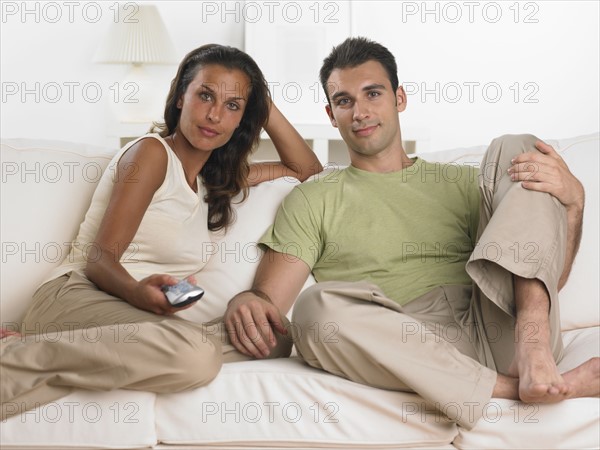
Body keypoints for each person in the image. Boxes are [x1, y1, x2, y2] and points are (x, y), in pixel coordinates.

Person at [223, 37, 599, 429]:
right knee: (313, 309)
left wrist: (574, 203)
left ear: (399, 98)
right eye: (345, 101)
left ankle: (535, 352)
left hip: (498, 328)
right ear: (331, 115)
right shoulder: (314, 197)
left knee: (516, 147)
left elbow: (540, 275)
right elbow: (270, 301)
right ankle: (512, 388)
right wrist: (248, 300)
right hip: (404, 342)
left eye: (373, 94)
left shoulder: (462, 182)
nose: (360, 112)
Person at [0, 43, 322, 420]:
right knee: (195, 355)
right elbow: (99, 261)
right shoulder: (152, 155)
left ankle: (58, 352)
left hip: (139, 324)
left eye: (232, 106)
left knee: (273, 339)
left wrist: (261, 103)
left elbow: (308, 172)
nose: (215, 115)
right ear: (181, 96)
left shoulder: (214, 180)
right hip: (76, 298)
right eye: (205, 95)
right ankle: (18, 357)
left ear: (242, 120)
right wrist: (138, 293)